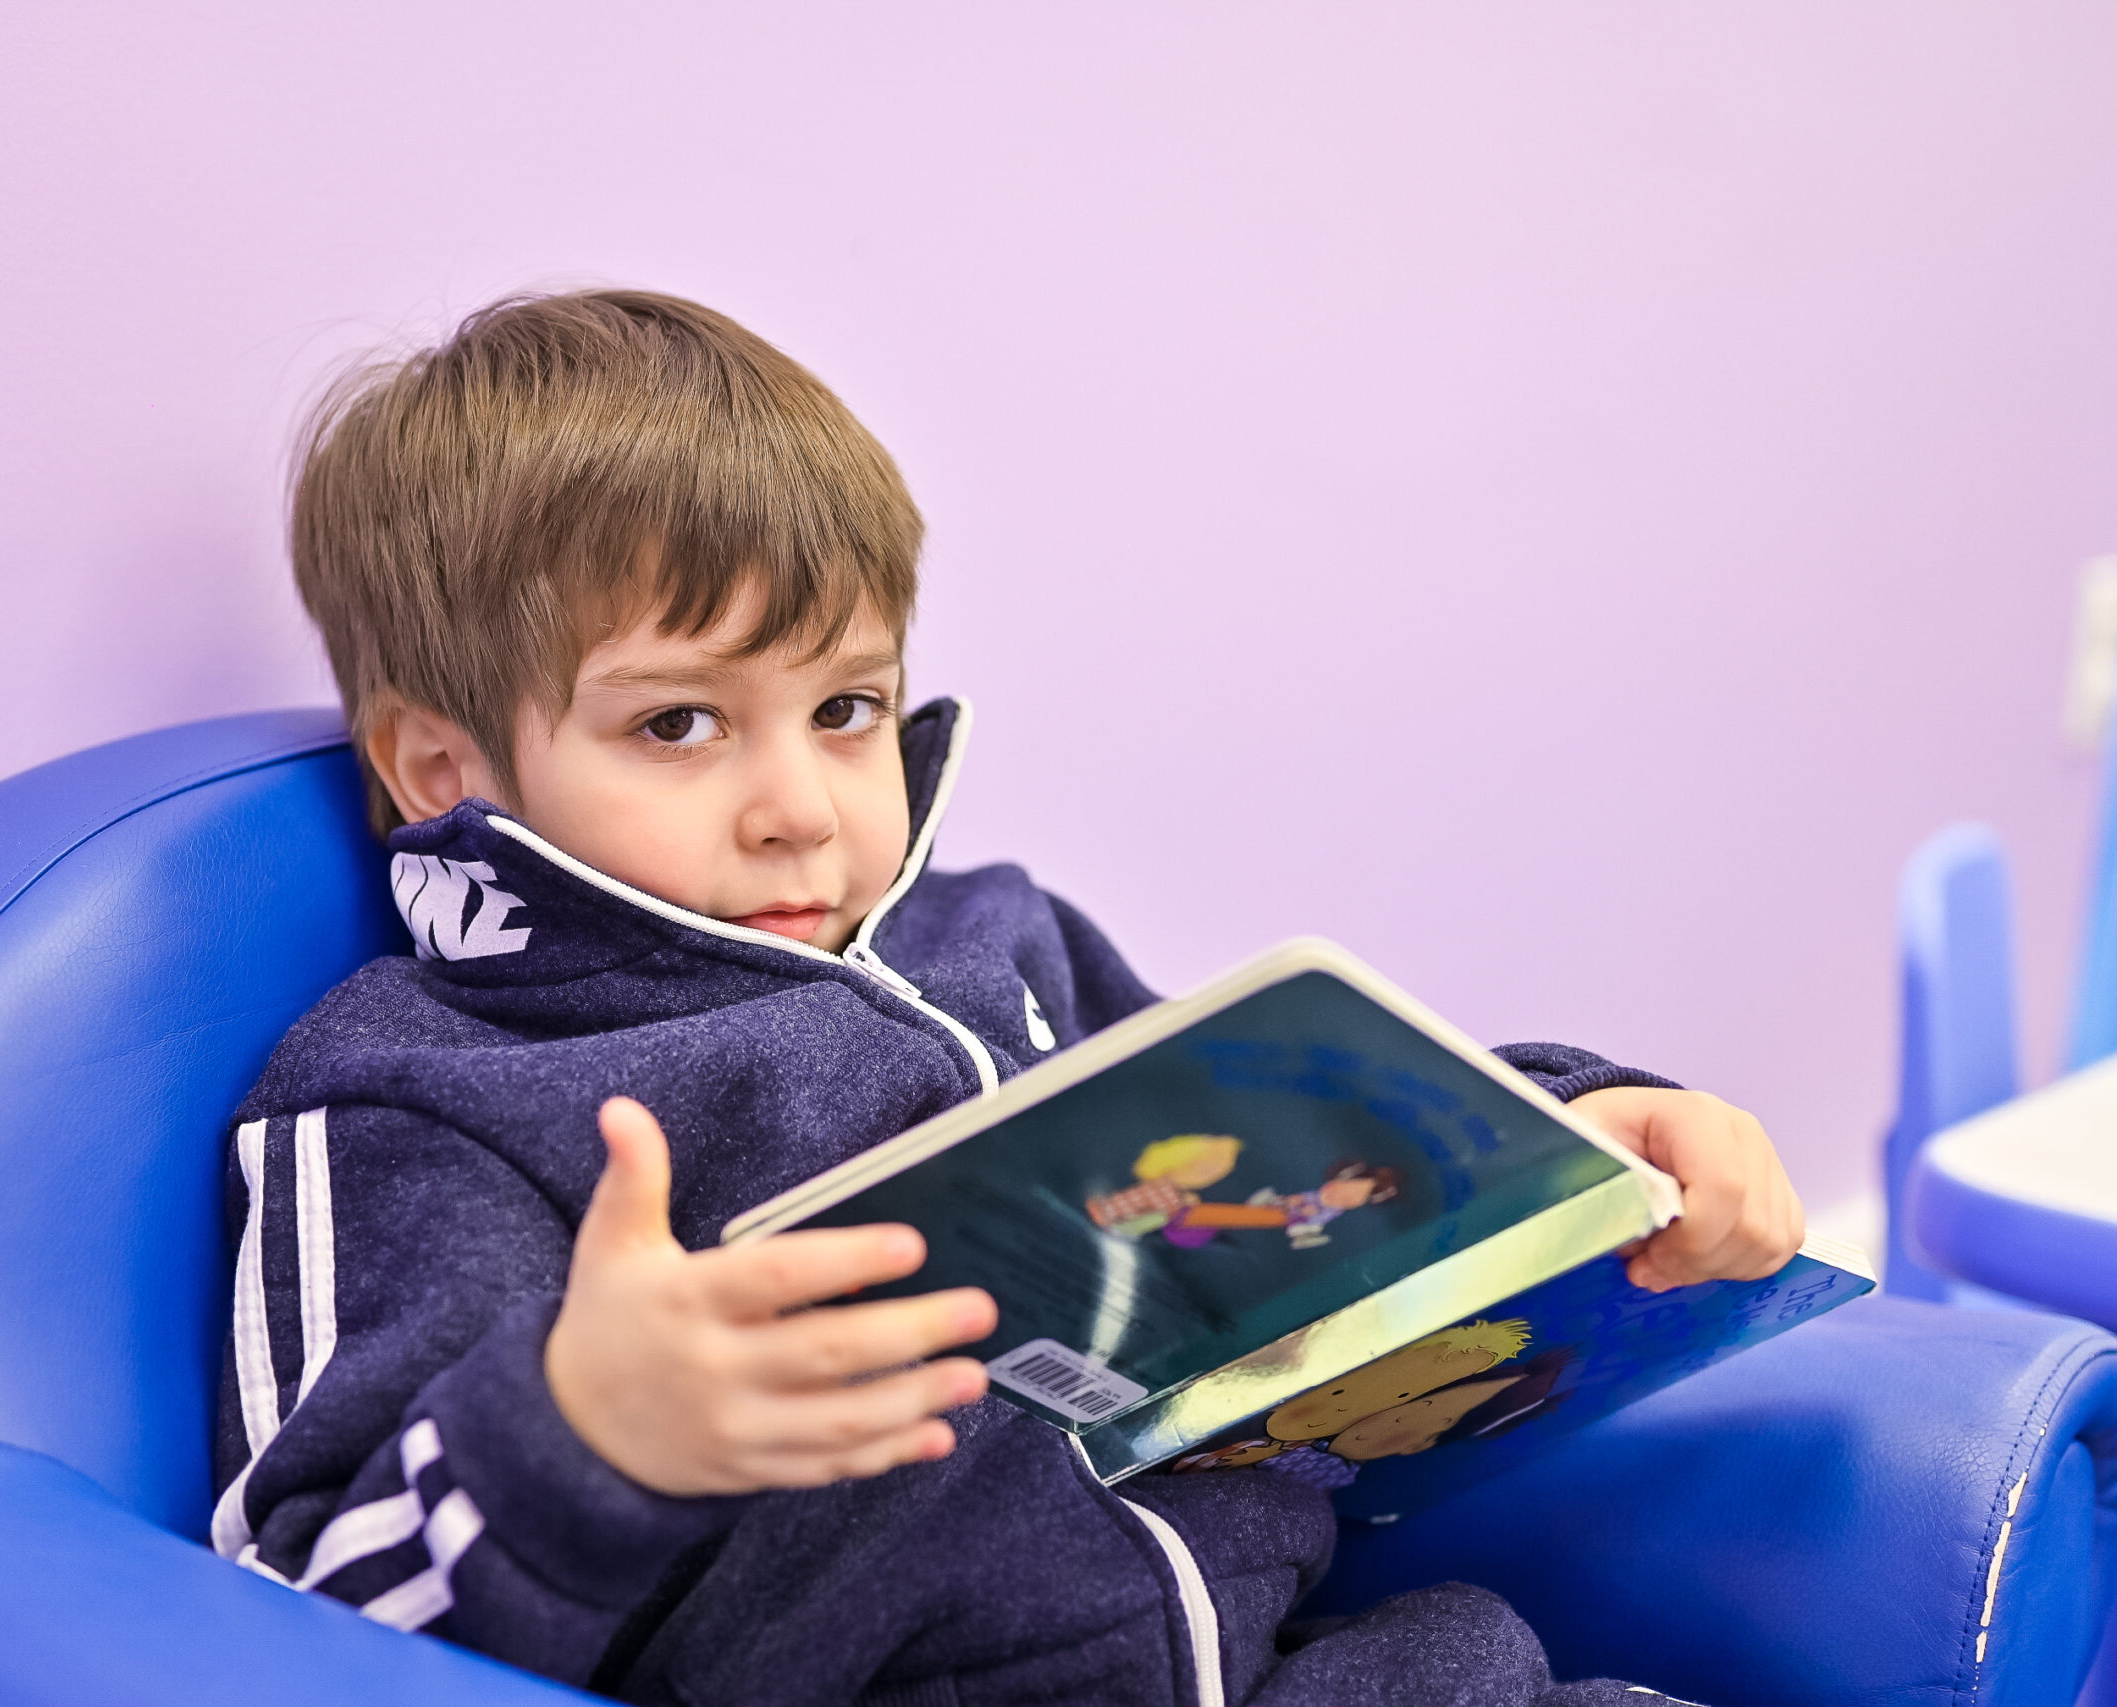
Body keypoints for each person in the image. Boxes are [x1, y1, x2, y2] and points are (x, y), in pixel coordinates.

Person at [212, 289, 1804, 1706]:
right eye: (682, 727)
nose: (804, 809)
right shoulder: (414, 1095)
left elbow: (1306, 1153)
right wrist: (581, 1432)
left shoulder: (1000, 934)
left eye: (846, 708)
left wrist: (1583, 1129)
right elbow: (299, 1618)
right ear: (442, 768)